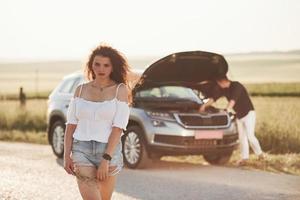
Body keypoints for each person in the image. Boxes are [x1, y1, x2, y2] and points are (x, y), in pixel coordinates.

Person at [63, 44, 130, 200]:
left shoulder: (120, 90)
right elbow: (70, 125)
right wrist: (67, 155)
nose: (101, 69)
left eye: (106, 65)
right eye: (97, 64)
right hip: (81, 150)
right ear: (91, 65)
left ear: (112, 67)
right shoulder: (80, 90)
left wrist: (106, 159)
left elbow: (118, 128)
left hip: (109, 151)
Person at [199, 75, 265, 165]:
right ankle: (244, 158)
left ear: (222, 82)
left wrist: (226, 110)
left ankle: (261, 155)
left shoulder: (237, 86)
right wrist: (204, 106)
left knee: (250, 136)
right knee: (242, 138)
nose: (218, 86)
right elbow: (214, 98)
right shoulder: (224, 89)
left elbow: (232, 101)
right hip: (239, 116)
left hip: (249, 114)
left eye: (218, 84)